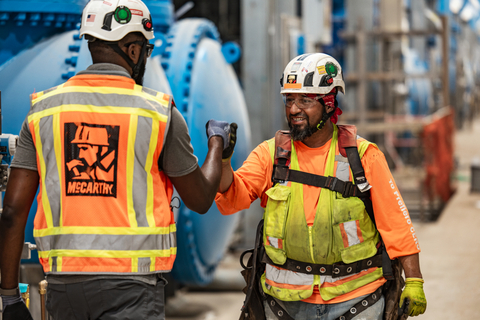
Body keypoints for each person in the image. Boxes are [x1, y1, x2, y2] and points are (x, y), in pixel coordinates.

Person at [0, 0, 236, 319]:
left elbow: (13, 212)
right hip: (133, 291)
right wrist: (216, 144)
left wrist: (11, 296)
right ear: (134, 50)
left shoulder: (43, 111)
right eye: (146, 50)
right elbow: (200, 198)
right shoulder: (159, 115)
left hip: (62, 287)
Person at [215, 53, 427, 320]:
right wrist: (223, 162)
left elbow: (396, 225)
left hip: (357, 299)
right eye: (289, 100)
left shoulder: (363, 157)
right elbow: (232, 198)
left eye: (305, 100)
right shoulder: (270, 154)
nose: (293, 110)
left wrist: (415, 281)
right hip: (285, 303)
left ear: (329, 103)